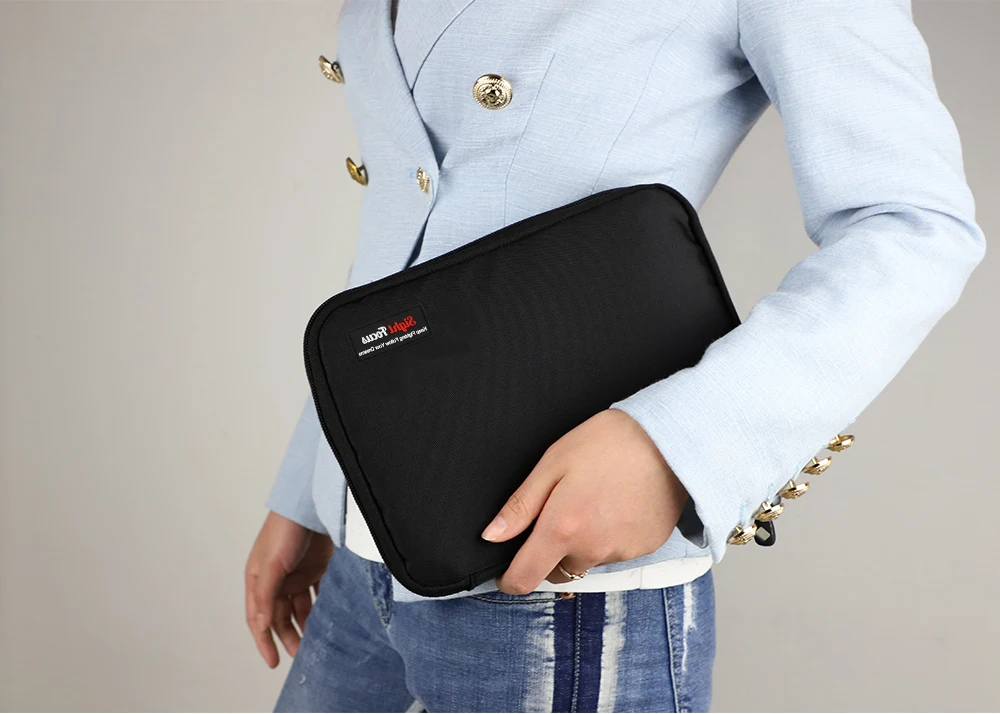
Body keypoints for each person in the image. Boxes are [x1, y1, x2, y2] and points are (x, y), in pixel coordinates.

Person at [245, 0, 986, 711]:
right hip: (361, 542)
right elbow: (408, 248)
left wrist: (674, 444)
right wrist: (308, 489)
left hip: (558, 580)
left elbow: (913, 224)